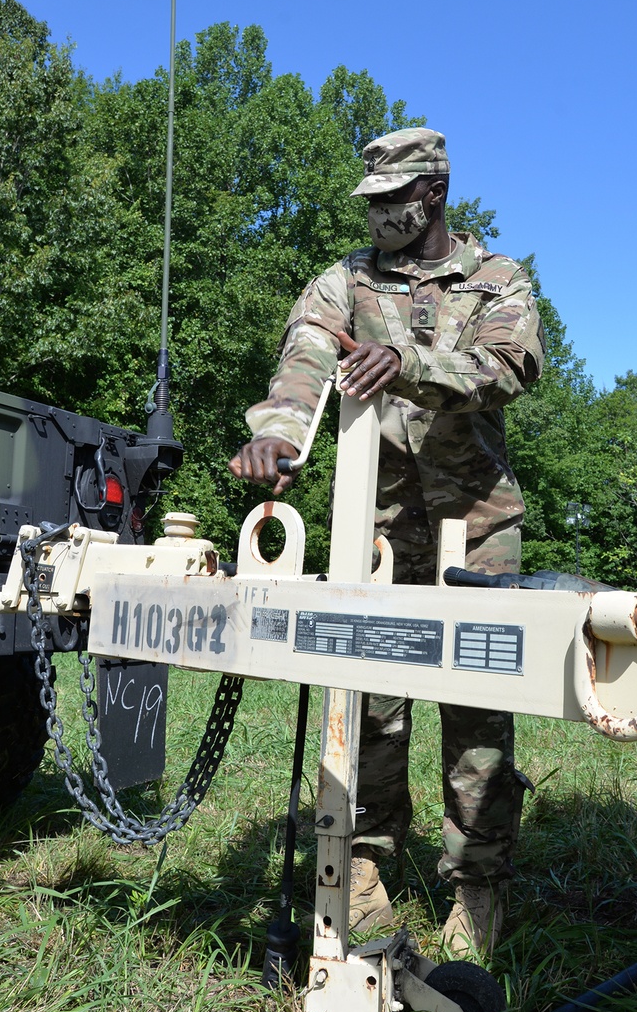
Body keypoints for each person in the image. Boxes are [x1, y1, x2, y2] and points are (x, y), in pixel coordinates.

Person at [229, 127, 544, 956]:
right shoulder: (343, 283)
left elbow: (511, 365)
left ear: (431, 195)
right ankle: (363, 863)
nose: (374, 217)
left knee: (477, 707)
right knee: (368, 701)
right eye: (367, 203)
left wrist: (404, 359)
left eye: (389, 202)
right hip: (371, 527)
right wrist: (281, 436)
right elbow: (302, 360)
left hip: (477, 528)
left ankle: (477, 884)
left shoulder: (496, 278)